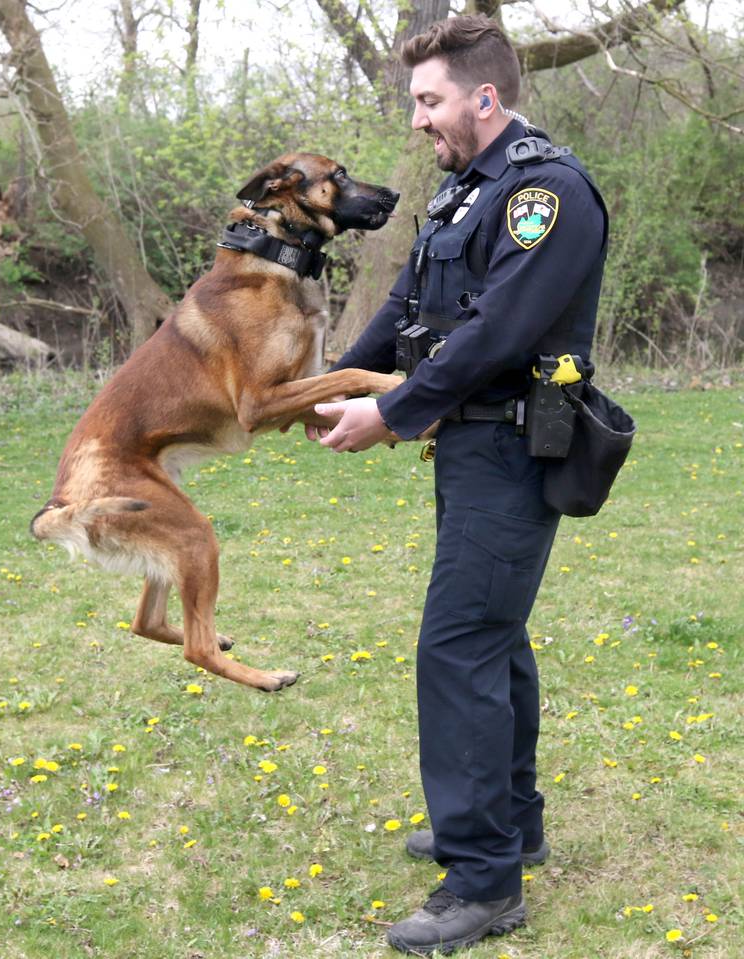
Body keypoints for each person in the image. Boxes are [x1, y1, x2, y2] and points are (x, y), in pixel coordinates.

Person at [309, 13, 608, 955]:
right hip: (470, 450)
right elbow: (407, 309)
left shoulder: (543, 193)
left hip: (517, 448)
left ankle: (484, 880)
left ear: (486, 97)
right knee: (493, 638)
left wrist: (392, 413)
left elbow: (498, 334)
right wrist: (324, 388)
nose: (417, 122)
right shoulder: (460, 196)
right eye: (414, 103)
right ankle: (512, 825)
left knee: (459, 649)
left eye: (429, 101)